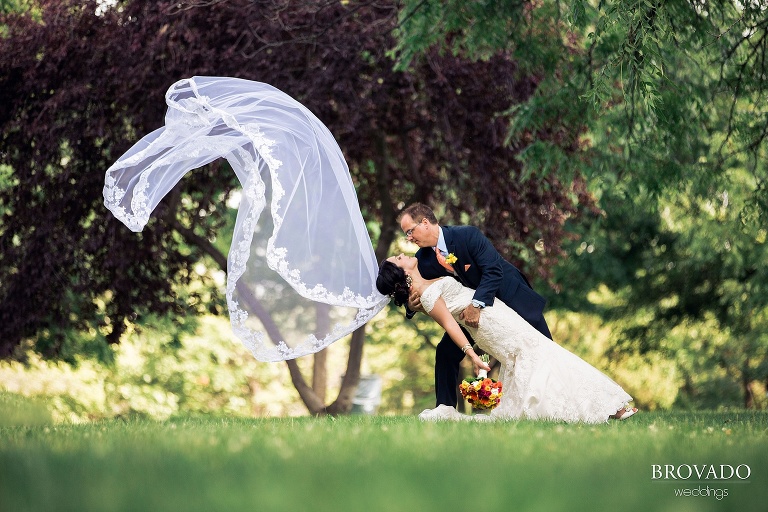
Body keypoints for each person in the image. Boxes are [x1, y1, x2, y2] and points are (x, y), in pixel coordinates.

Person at [376, 255, 637, 423]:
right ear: (402, 273)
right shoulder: (427, 295)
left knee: (538, 353)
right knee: (537, 353)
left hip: (495, 313)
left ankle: (600, 405)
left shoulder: (428, 277)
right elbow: (451, 327)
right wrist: (472, 355)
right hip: (489, 325)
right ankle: (604, 407)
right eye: (398, 258)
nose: (403, 251)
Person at [398, 203, 552, 408]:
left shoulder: (467, 235)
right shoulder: (422, 260)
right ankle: (444, 410)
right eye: (406, 234)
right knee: (445, 352)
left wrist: (476, 305)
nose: (409, 237)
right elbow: (412, 286)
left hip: (508, 296)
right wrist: (410, 305)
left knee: (545, 348)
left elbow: (494, 271)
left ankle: (560, 399)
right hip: (467, 314)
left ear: (425, 223)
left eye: (410, 231)